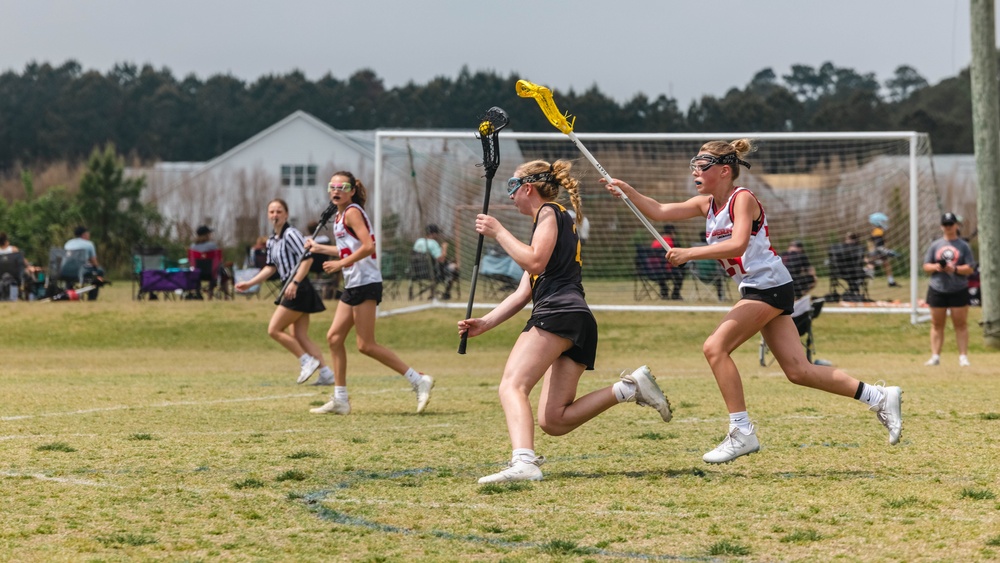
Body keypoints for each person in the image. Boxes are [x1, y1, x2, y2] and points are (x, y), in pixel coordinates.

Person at [604, 139, 903, 464]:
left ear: (724, 170)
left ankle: (741, 431)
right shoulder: (707, 204)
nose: (695, 171)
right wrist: (627, 192)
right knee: (799, 371)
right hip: (760, 288)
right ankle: (878, 396)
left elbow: (738, 244)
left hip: (768, 286)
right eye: (694, 165)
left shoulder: (742, 198)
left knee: (714, 348)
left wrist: (690, 253)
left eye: (702, 166)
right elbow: (659, 211)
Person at [458, 159, 673, 484]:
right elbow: (522, 292)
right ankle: (628, 388)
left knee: (512, 385)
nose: (510, 196)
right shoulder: (553, 219)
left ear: (527, 187)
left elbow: (534, 260)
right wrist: (485, 323)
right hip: (575, 317)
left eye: (511, 187)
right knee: (553, 420)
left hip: (557, 313)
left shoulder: (548, 213)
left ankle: (524, 462)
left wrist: (497, 230)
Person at [305, 171, 434, 415]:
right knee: (334, 338)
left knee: (366, 345)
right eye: (331, 187)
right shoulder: (339, 216)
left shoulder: (352, 212)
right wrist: (319, 247)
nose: (336, 190)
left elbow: (368, 246)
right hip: (354, 283)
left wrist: (341, 265)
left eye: (342, 186)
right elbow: (347, 248)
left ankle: (418, 379)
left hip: (366, 283)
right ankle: (340, 399)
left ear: (352, 190)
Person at [234, 199, 334, 386]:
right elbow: (270, 267)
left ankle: (306, 361)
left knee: (274, 329)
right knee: (299, 335)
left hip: (298, 287)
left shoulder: (291, 234)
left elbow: (308, 259)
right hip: (290, 287)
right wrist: (250, 283)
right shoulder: (272, 240)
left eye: (279, 211)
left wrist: (295, 282)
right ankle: (326, 373)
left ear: (286, 214)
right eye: (271, 211)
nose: (275, 215)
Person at [922, 212, 977, 367]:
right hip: (937, 288)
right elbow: (926, 266)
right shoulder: (935, 245)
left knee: (960, 324)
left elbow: (970, 268)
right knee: (937, 324)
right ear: (941, 227)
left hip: (958, 289)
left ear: (956, 225)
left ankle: (963, 357)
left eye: (951, 224)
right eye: (945, 225)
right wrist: (936, 266)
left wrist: (955, 269)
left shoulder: (963, 246)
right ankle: (935, 356)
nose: (948, 227)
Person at [412, 224, 459, 300]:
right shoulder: (433, 243)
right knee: (453, 269)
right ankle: (446, 294)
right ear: (433, 234)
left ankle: (432, 294)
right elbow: (441, 259)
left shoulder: (418, 241)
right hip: (433, 272)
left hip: (417, 272)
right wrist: (444, 249)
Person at [64, 226, 106, 300]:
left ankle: (69, 291)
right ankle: (92, 297)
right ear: (84, 235)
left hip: (66, 271)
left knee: (70, 277)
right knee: (100, 271)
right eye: (88, 233)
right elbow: (94, 262)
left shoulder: (68, 243)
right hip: (82, 272)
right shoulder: (89, 244)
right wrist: (97, 267)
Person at [652, 224, 684, 300]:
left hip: (653, 271)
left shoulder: (655, 242)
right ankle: (675, 294)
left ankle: (664, 291)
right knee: (682, 271)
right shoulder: (671, 243)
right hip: (668, 271)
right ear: (672, 232)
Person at [867, 212, 898, 287]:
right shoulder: (878, 230)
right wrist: (885, 250)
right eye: (883, 221)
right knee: (873, 264)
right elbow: (878, 243)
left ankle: (891, 281)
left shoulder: (876, 230)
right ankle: (868, 279)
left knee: (885, 264)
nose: (884, 223)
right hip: (878, 250)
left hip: (877, 249)